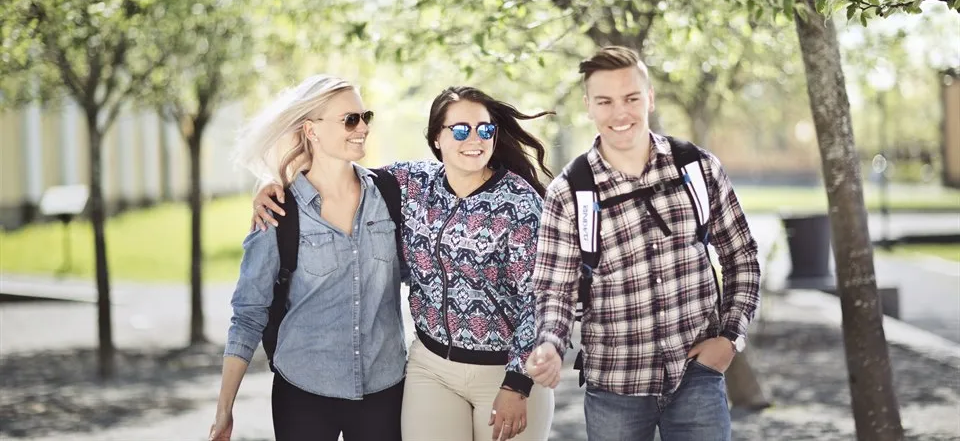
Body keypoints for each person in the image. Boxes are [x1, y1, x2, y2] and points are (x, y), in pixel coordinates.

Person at [254, 86, 556, 440]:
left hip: (504, 371)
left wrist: (518, 384)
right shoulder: (411, 184)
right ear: (437, 138)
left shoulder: (520, 204)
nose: (474, 139)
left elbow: (539, 300)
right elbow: (335, 171)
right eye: (460, 130)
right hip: (432, 371)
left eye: (484, 129)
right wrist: (273, 182)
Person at [525, 47, 761, 441]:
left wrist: (730, 339)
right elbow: (554, 289)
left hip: (697, 378)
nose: (620, 113)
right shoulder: (570, 192)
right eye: (605, 101)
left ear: (649, 98)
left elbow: (742, 257)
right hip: (615, 388)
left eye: (631, 98)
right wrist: (550, 343)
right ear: (588, 107)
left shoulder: (697, 168)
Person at [210, 75, 406, 441]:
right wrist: (225, 410)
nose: (362, 127)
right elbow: (248, 314)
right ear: (311, 130)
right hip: (304, 391)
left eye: (366, 116)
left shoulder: (390, 194)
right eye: (350, 119)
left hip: (385, 387)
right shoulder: (278, 210)